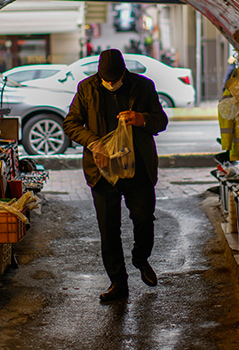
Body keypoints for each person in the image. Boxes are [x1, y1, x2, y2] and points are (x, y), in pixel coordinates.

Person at [63, 48, 168, 302]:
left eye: (116, 79)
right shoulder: (87, 88)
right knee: (108, 228)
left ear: (124, 72)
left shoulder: (143, 86)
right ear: (99, 74)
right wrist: (93, 143)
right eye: (106, 80)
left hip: (137, 168)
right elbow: (71, 123)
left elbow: (161, 121)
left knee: (144, 218)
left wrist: (141, 118)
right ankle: (118, 282)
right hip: (102, 170)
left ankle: (141, 259)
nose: (111, 84)